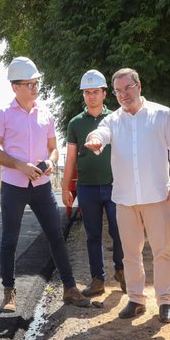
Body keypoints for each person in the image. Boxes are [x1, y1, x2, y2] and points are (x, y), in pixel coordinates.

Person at [0, 56, 90, 313]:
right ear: (15, 87)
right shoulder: (2, 114)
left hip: (42, 186)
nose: (35, 87)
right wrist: (20, 165)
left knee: (56, 236)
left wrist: (51, 161)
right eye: (29, 83)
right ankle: (9, 292)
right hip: (13, 186)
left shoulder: (46, 114)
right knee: (10, 240)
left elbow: (54, 149)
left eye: (36, 82)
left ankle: (69, 288)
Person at [84, 68, 170, 323]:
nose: (123, 94)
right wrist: (94, 139)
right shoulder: (112, 120)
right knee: (130, 253)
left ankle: (164, 301)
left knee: (162, 251)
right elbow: (100, 133)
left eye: (127, 88)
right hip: (125, 198)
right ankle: (136, 299)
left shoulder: (162, 114)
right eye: (118, 91)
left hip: (157, 196)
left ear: (138, 86)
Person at [62, 70, 126, 297]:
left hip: (114, 185)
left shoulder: (117, 118)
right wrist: (65, 187)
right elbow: (70, 159)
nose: (91, 96)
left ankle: (122, 271)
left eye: (95, 92)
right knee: (93, 235)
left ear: (104, 93)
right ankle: (97, 280)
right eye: (87, 93)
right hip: (87, 187)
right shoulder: (75, 123)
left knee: (120, 232)